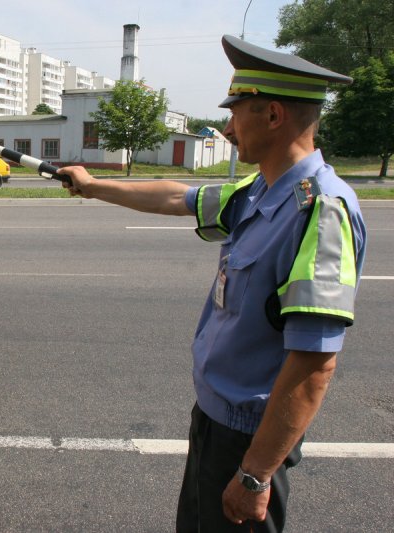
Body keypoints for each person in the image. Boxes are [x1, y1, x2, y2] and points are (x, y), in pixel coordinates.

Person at [59, 35, 366, 532]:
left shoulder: (319, 211)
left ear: (272, 115)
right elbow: (177, 197)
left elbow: (313, 364)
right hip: (215, 420)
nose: (227, 128)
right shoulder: (260, 188)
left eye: (236, 111)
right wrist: (94, 187)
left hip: (249, 443)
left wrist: (254, 476)